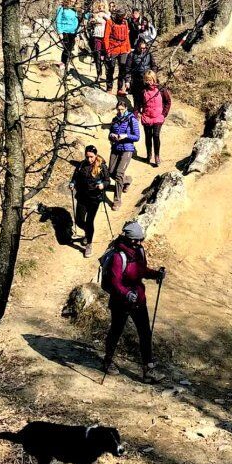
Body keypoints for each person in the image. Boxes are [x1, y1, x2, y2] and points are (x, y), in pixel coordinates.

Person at [102, 219, 165, 379]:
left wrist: (156, 274)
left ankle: (148, 369)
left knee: (145, 333)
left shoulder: (140, 251)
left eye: (140, 239)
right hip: (120, 302)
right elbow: (115, 282)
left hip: (139, 299)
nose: (137, 242)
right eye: (135, 240)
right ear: (127, 238)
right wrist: (126, 294)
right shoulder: (118, 256)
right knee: (116, 332)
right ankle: (107, 361)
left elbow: (142, 270)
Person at [70, 145, 109, 257]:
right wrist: (72, 183)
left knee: (89, 221)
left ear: (95, 155)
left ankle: (89, 244)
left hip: (94, 198)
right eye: (87, 156)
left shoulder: (101, 166)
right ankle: (88, 234)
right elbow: (75, 177)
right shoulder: (81, 165)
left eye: (91, 157)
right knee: (78, 220)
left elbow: (107, 181)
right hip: (82, 197)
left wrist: (103, 185)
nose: (89, 159)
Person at [107, 95, 139, 209]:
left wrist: (125, 136)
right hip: (115, 148)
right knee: (111, 172)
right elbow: (109, 134)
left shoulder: (132, 119)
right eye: (118, 109)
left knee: (119, 173)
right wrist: (112, 136)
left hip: (127, 148)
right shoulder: (115, 120)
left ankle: (117, 200)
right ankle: (127, 180)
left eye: (122, 109)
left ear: (126, 109)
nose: (120, 111)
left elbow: (137, 137)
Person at [138, 70, 171, 166]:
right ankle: (149, 155)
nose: (149, 82)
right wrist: (138, 112)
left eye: (150, 80)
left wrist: (164, 114)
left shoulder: (161, 89)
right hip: (147, 116)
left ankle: (157, 156)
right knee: (148, 137)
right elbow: (138, 102)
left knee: (156, 136)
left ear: (154, 79)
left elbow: (168, 101)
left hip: (158, 117)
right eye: (147, 80)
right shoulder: (143, 90)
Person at [103, 7, 132, 93]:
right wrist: (107, 50)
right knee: (110, 69)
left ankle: (120, 88)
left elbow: (127, 36)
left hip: (123, 49)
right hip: (113, 48)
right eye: (122, 16)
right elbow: (106, 37)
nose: (124, 18)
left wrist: (128, 48)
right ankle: (109, 88)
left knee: (122, 68)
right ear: (119, 16)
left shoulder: (125, 22)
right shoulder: (110, 22)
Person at [127, 36, 157, 111]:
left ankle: (145, 112)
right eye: (141, 48)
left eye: (144, 48)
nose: (143, 50)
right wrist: (127, 81)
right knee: (137, 98)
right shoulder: (131, 55)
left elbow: (154, 66)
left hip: (147, 80)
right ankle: (136, 112)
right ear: (137, 46)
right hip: (136, 80)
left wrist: (153, 75)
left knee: (146, 97)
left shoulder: (149, 54)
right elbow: (127, 69)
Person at [54, 0, 80, 76]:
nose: (72, 3)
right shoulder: (61, 8)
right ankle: (63, 65)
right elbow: (57, 20)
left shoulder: (74, 10)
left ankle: (66, 66)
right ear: (67, 0)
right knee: (66, 49)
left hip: (73, 32)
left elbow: (76, 21)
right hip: (64, 31)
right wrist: (60, 32)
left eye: (74, 2)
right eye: (71, 1)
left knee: (70, 49)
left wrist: (77, 32)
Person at [88, 0, 111, 84]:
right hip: (96, 36)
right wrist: (93, 21)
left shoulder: (108, 14)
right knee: (97, 55)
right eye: (99, 6)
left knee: (106, 57)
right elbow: (90, 23)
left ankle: (108, 74)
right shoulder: (94, 14)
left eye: (102, 6)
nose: (100, 7)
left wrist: (101, 16)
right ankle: (99, 73)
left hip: (105, 37)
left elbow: (109, 21)